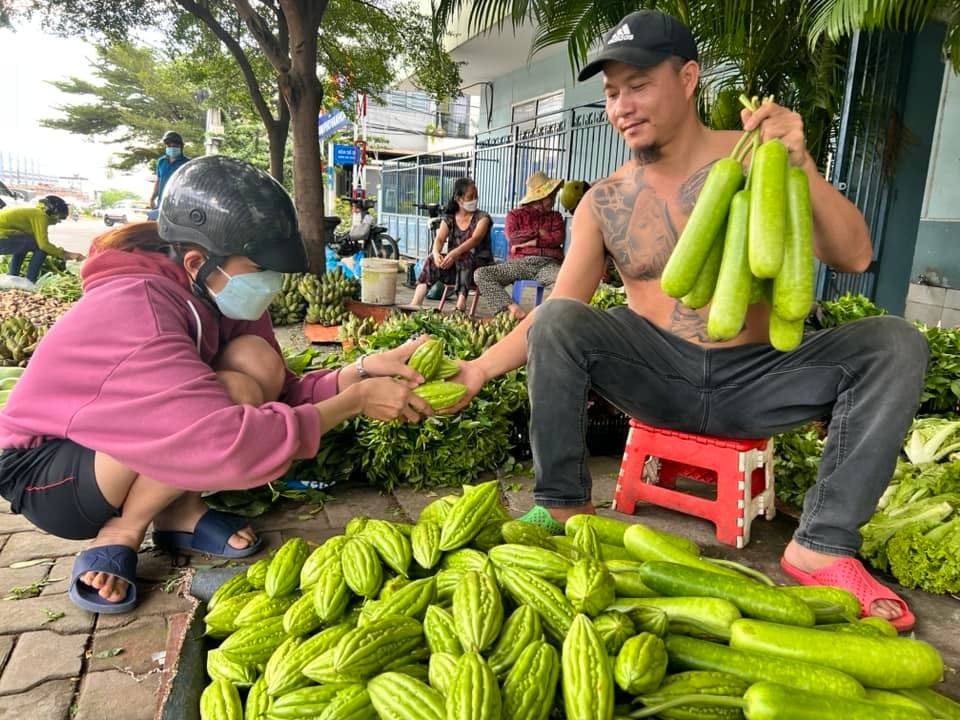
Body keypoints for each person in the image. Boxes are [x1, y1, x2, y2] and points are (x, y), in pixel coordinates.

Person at [447, 10, 927, 631]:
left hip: (759, 376)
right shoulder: (602, 201)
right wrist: (478, 371)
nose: (622, 106)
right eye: (612, 92)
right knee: (561, 317)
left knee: (893, 342)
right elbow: (556, 316)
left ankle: (822, 545)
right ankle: (562, 506)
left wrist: (801, 163)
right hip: (655, 379)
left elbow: (856, 255)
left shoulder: (757, 158)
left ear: (689, 77)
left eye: (639, 85)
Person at [0, 156, 434, 614]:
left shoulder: (218, 292)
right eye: (259, 267)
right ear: (196, 260)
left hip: (128, 443)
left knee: (255, 363)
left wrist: (359, 371)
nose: (271, 283)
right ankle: (124, 529)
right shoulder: (137, 305)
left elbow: (283, 392)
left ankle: (180, 515)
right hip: (51, 470)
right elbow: (225, 443)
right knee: (226, 403)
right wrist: (354, 403)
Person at [474, 171, 566, 320]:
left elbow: (557, 238)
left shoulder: (555, 217)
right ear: (541, 197)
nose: (554, 200)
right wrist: (538, 232)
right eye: (552, 196)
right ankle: (513, 311)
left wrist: (530, 242)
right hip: (519, 263)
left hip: (547, 264)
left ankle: (547, 318)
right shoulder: (515, 215)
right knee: (481, 274)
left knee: (565, 281)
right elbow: (513, 238)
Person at [406, 178, 493, 312]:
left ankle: (460, 305)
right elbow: (439, 239)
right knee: (430, 260)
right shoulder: (450, 219)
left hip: (479, 269)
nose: (474, 199)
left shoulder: (483, 218)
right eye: (470, 197)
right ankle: (415, 302)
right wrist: (436, 254)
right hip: (456, 268)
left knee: (464, 256)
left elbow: (475, 239)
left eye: (476, 196)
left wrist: (454, 253)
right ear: (458, 199)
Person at [0, 196, 84, 286]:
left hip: (4, 238)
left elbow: (32, 239)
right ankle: (30, 281)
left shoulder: (34, 213)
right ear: (52, 212)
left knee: (26, 244)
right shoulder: (40, 216)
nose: (58, 221)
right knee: (40, 249)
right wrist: (67, 254)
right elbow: (43, 245)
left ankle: (12, 276)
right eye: (59, 217)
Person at [149, 130, 190, 211]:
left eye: (174, 146)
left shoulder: (187, 163)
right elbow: (158, 182)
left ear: (180, 146)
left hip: (179, 206)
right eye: (168, 145)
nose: (171, 148)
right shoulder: (161, 161)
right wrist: (152, 199)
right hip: (161, 204)